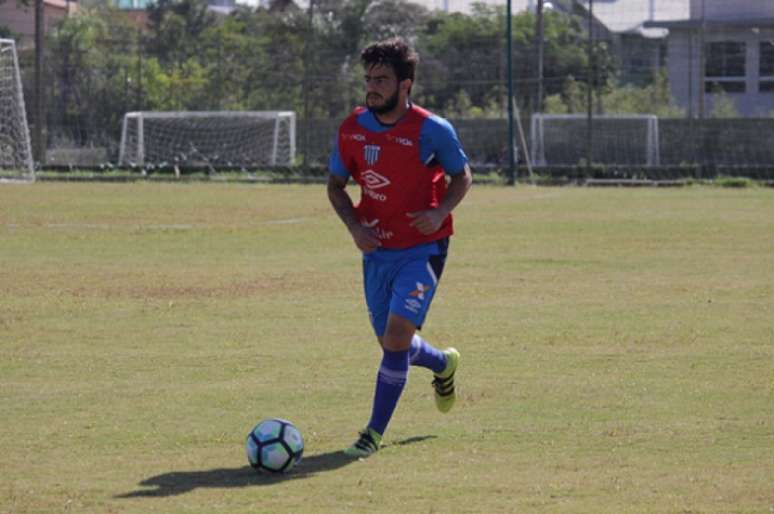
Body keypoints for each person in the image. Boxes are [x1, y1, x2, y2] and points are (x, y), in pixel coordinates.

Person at [327, 37, 473, 458]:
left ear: (405, 85)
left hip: (423, 249)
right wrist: (355, 227)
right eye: (369, 79)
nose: (372, 87)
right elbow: (335, 187)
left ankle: (371, 434)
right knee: (396, 346)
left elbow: (462, 176)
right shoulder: (352, 128)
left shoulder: (433, 130)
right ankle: (443, 364)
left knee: (395, 338)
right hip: (376, 251)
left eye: (382, 80)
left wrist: (440, 209)